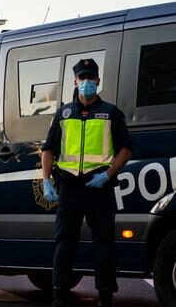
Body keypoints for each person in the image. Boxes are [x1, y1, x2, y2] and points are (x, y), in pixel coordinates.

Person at [41, 59, 132, 307]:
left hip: (98, 187)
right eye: (82, 78)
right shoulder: (63, 114)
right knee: (64, 242)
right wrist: (46, 180)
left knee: (103, 243)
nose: (87, 82)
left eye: (91, 78)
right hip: (69, 188)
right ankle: (58, 295)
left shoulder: (111, 113)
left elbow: (125, 150)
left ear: (98, 81)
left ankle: (104, 296)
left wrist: (108, 175)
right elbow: (48, 150)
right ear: (75, 81)